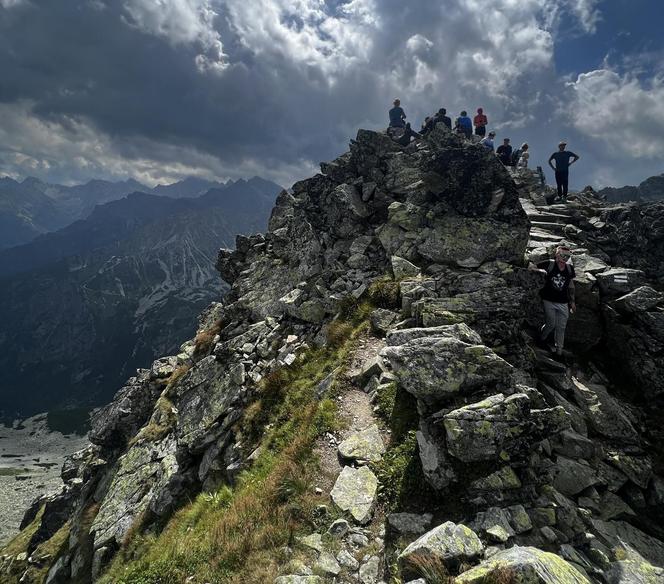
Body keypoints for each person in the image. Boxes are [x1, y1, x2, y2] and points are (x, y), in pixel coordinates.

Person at [535, 246, 576, 359]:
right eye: (562, 255)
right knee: (551, 323)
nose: (565, 258)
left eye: (567, 256)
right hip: (548, 300)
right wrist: (539, 271)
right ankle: (541, 339)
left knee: (561, 327)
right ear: (557, 254)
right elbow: (532, 266)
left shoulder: (569, 269)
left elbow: (571, 285)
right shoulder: (549, 264)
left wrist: (572, 301)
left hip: (563, 302)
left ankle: (559, 352)